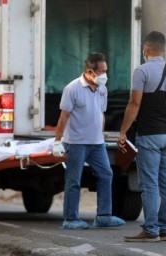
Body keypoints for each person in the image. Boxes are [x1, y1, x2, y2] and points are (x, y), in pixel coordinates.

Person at [119, 31, 166, 242]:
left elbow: (135, 103)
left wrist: (123, 131)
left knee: (149, 184)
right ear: (163, 48)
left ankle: (150, 229)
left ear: (146, 48)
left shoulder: (142, 71)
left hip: (149, 135)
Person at [53, 52, 126, 230]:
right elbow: (64, 117)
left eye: (105, 71)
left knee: (106, 174)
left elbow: (100, 114)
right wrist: (57, 142)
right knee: (74, 180)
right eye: (101, 71)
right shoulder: (73, 89)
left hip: (96, 143)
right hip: (76, 143)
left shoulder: (102, 89)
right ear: (90, 72)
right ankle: (70, 218)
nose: (105, 75)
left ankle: (103, 216)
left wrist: (99, 136)